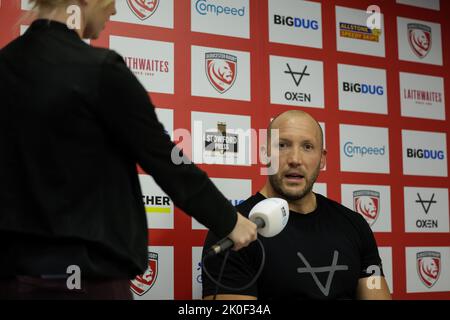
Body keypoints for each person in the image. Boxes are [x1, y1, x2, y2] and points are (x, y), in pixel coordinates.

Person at [0, 0, 257, 299]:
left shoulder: (5, 65)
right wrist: (229, 220)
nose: (114, 10)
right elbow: (165, 158)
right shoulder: (100, 70)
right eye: (111, 1)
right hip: (87, 284)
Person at [202, 110, 392, 300]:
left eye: (307, 147)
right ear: (264, 154)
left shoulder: (355, 224)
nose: (295, 159)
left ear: (322, 158)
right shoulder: (234, 231)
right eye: (282, 145)